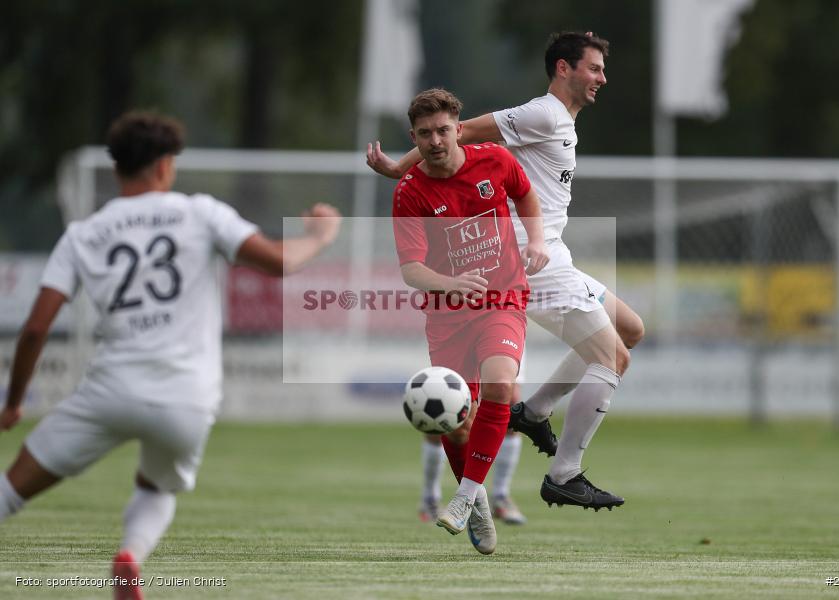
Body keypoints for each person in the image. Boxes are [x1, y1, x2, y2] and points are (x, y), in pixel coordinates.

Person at [0, 111, 341, 600]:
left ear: (116, 168)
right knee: (157, 488)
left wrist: (14, 403)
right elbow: (280, 262)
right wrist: (320, 237)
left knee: (10, 491)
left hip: (110, 391)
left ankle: (126, 555)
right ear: (165, 165)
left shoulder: (83, 234)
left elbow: (35, 328)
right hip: (187, 398)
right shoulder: (199, 212)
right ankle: (130, 556)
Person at [369, 31, 644, 512]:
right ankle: (565, 473)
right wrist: (399, 169)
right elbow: (461, 131)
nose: (602, 77)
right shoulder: (542, 113)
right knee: (613, 359)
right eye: (594, 68)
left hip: (551, 253)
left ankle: (533, 411)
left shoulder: (561, 121)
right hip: (530, 261)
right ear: (564, 68)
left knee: (631, 329)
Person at [392, 88, 548, 554]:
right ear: (414, 137)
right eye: (425, 134)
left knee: (502, 385)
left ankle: (462, 498)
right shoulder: (410, 191)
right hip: (447, 314)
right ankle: (477, 499)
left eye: (443, 130)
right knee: (454, 425)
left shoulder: (494, 161)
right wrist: (450, 282)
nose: (436, 140)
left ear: (458, 128)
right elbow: (410, 269)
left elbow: (526, 195)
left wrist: (536, 241)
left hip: (503, 297)